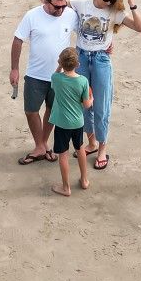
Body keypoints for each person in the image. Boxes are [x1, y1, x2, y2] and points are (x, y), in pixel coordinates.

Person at [23, 0, 141, 170]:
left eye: (112, 0)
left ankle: (102, 148)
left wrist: (132, 5)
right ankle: (91, 143)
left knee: (102, 105)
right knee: (83, 103)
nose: (109, 3)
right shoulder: (81, 5)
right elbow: (56, 5)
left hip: (101, 59)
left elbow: (140, 28)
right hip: (81, 57)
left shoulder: (115, 11)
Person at [10, 0, 77, 165]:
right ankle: (41, 146)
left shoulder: (69, 14)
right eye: (57, 7)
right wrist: (14, 68)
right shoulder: (32, 15)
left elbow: (85, 32)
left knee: (52, 110)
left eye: (63, 6)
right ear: (46, 2)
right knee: (31, 110)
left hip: (60, 76)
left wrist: (106, 43)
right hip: (35, 74)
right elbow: (18, 40)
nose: (61, 10)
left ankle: (42, 145)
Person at [48, 47, 93, 197]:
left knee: (63, 154)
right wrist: (92, 99)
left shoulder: (57, 79)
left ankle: (66, 187)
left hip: (62, 123)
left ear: (60, 62)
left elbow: (54, 76)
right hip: (78, 122)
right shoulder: (83, 81)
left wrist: (60, 65)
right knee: (79, 148)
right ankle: (85, 179)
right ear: (78, 65)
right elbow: (86, 105)